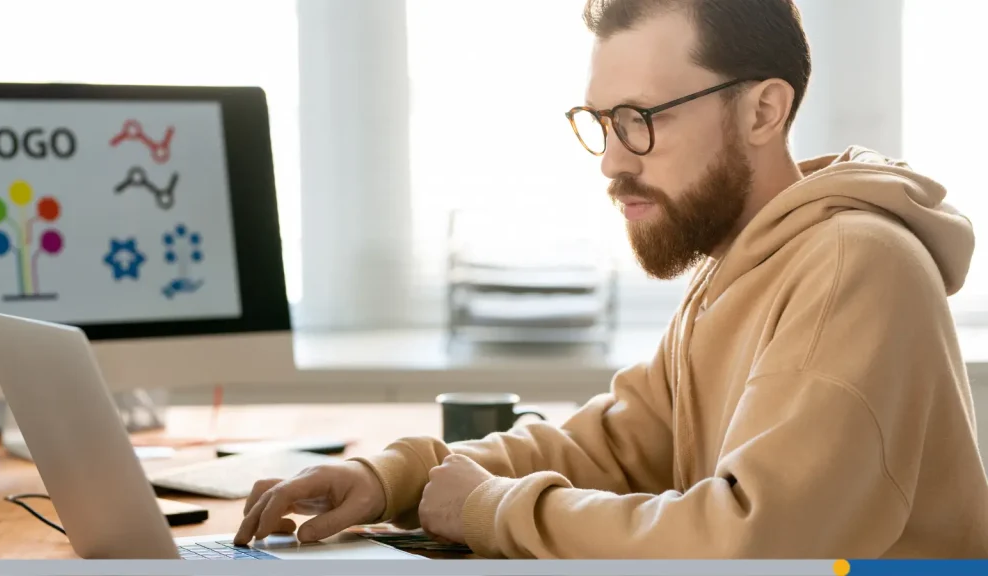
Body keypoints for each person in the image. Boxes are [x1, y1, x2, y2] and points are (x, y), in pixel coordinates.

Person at [235, 0, 988, 558]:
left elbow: (756, 546)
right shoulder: (744, 267)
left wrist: (493, 510)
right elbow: (608, 449)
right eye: (601, 122)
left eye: (639, 118)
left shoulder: (849, 269)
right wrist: (395, 477)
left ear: (764, 109)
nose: (613, 160)